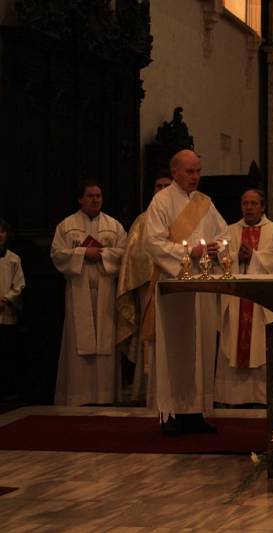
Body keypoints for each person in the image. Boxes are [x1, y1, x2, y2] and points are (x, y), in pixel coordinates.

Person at [144, 149, 230, 434]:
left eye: (198, 171)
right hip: (175, 283)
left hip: (202, 282)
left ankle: (195, 411)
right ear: (175, 173)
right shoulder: (161, 201)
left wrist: (217, 248)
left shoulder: (205, 202)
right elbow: (153, 243)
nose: (196, 177)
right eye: (190, 172)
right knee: (175, 346)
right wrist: (187, 251)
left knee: (202, 345)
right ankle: (171, 413)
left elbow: (224, 233)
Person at [216, 188, 273, 405]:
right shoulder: (228, 232)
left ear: (263, 206)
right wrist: (234, 256)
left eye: (253, 203)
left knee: (261, 345)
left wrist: (254, 256)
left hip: (262, 303)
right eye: (245, 203)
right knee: (234, 340)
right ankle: (231, 398)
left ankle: (262, 397)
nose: (249, 207)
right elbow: (218, 260)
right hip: (236, 301)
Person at [52, 180, 127, 405]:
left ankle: (105, 395)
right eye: (90, 196)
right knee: (78, 341)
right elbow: (57, 254)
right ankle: (78, 395)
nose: (95, 200)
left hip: (106, 291)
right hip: (78, 291)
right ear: (80, 199)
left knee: (105, 339)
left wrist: (102, 255)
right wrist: (84, 253)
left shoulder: (113, 226)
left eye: (99, 196)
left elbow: (124, 254)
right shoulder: (67, 225)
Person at [116, 173, 172, 404]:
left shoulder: (183, 217)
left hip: (175, 285)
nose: (162, 189)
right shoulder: (143, 220)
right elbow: (133, 257)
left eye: (166, 186)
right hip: (148, 287)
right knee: (150, 340)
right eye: (158, 185)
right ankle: (147, 391)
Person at [0, 219, 25, 398]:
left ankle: (8, 391)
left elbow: (19, 283)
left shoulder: (13, 259)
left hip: (7, 311)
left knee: (7, 353)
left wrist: (6, 299)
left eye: (2, 231)